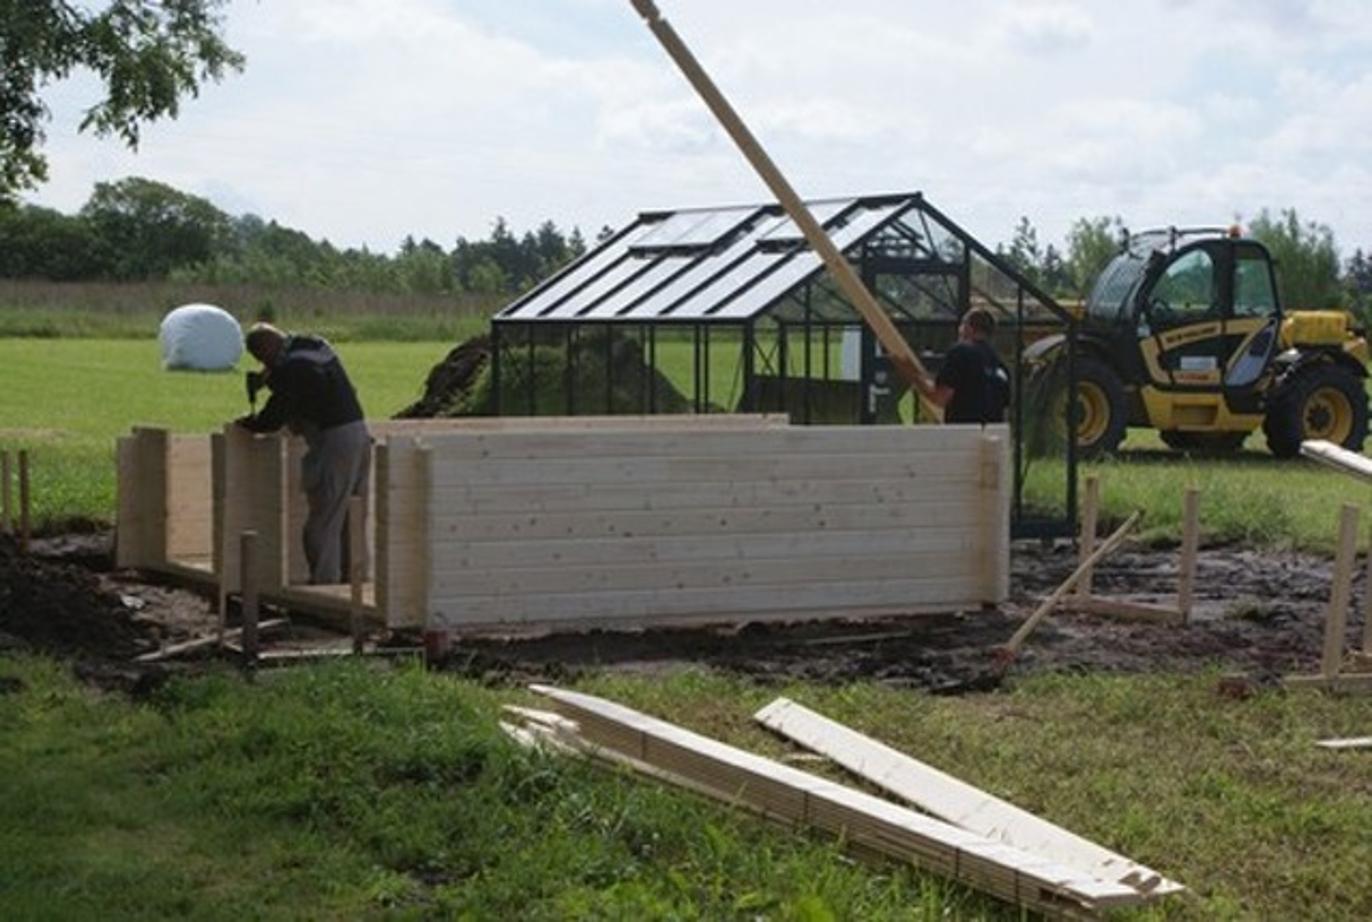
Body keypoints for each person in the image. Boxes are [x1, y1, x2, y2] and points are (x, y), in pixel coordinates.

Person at [236, 322, 370, 584]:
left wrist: (246, 423)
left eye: (262, 358)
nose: (263, 363)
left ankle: (325, 590)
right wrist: (269, 376)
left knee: (323, 521)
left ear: (266, 350)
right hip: (359, 434)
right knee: (350, 517)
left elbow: (272, 419)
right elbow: (301, 372)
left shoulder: (293, 370)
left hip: (334, 442)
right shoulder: (314, 344)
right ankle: (354, 587)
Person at [913, 307, 1011, 424]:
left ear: (968, 328)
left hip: (963, 432)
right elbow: (1004, 410)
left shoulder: (960, 352)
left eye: (961, 324)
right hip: (993, 434)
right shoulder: (999, 363)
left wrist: (915, 378)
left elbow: (941, 397)